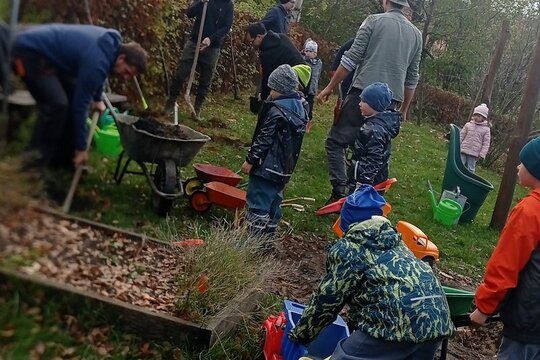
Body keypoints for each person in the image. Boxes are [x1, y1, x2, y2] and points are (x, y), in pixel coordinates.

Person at [288, 185, 455, 359]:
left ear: (348, 221)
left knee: (343, 356)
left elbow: (327, 301)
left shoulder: (349, 248)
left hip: (394, 323)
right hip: (437, 322)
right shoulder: (397, 243)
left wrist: (299, 335)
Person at [317, 0, 422, 204]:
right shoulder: (416, 35)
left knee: (336, 142)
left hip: (363, 94)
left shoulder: (373, 21)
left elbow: (350, 58)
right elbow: (412, 77)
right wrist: (403, 109)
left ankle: (341, 191)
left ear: (386, 2)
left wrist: (330, 87)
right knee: (373, 151)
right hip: (391, 103)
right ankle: (364, 199)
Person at [11, 24, 147, 169]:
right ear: (121, 58)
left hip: (48, 57)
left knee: (68, 99)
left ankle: (63, 159)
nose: (125, 77)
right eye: (126, 71)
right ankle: (34, 160)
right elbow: (80, 106)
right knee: (57, 105)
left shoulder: (110, 47)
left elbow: (101, 72)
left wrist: (97, 99)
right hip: (29, 52)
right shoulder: (97, 60)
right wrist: (82, 148)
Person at [470, 137, 540, 359]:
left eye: (523, 162)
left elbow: (506, 265)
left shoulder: (530, 211)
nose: (518, 167)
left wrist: (484, 308)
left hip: (527, 319)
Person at [241, 64, 309, 239]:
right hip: (283, 169)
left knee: (258, 203)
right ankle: (268, 240)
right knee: (274, 204)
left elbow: (264, 139)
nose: (271, 93)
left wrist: (251, 160)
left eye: (273, 89)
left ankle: (252, 243)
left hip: (265, 168)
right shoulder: (301, 109)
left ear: (282, 89)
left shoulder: (276, 111)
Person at [164, 0, 234, 120]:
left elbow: (226, 27)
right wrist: (201, 3)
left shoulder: (228, 4)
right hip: (194, 42)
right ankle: (170, 103)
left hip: (212, 47)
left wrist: (211, 39)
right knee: (180, 74)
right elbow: (190, 13)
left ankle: (197, 109)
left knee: (205, 80)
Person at [351, 82, 401, 186]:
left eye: (364, 101)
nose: (359, 104)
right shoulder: (372, 124)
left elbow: (374, 158)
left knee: (360, 202)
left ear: (374, 105)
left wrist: (364, 182)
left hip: (368, 182)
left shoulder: (374, 130)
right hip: (364, 176)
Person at [246, 22, 306, 102]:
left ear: (259, 37)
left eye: (251, 42)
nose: (251, 45)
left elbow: (268, 76)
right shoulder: (281, 37)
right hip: (304, 72)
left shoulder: (267, 52)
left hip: (295, 77)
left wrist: (263, 97)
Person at [459, 103, 491, 173]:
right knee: (460, 164)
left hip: (474, 153)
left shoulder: (486, 129)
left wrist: (482, 154)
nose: (476, 117)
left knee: (470, 168)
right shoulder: (468, 125)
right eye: (475, 115)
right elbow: (462, 135)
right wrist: (458, 144)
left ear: (483, 118)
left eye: (478, 116)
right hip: (464, 149)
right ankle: (458, 177)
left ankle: (469, 179)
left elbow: (486, 143)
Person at [301, 39, 322, 124]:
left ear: (315, 53)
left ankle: (308, 122)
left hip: (312, 90)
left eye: (311, 51)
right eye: (307, 51)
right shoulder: (303, 61)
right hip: (303, 88)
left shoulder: (319, 63)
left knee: (310, 106)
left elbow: (318, 74)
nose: (308, 53)